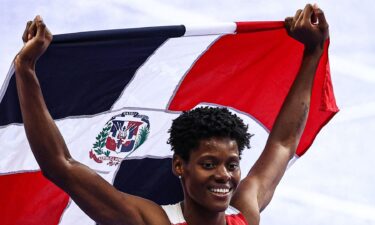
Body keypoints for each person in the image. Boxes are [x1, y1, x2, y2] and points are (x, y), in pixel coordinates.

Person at [14, 3, 329, 225]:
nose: (224, 175)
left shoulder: (243, 212)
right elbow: (60, 165)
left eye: (232, 164)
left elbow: (283, 143)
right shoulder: (150, 220)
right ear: (180, 165)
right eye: (209, 164)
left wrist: (313, 52)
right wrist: (26, 71)